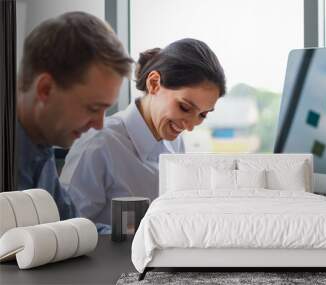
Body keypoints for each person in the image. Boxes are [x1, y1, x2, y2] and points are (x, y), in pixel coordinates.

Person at [60, 38, 226, 225]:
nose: (189, 126)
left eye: (202, 114)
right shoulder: (98, 144)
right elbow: (69, 227)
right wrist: (133, 236)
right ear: (154, 83)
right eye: (185, 108)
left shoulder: (174, 142)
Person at [16, 11, 133, 220]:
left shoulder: (42, 141)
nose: (99, 125)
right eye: (93, 108)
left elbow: (71, 226)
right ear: (45, 89)